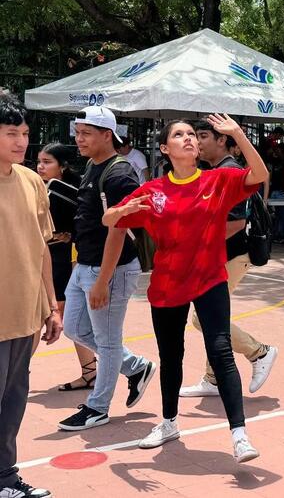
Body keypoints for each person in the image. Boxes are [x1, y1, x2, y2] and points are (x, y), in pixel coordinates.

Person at [103, 114, 267, 462]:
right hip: (167, 284)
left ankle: (239, 434)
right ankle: (169, 421)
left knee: (220, 349)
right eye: (179, 135)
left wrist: (237, 133)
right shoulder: (153, 191)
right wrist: (123, 210)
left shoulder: (218, 180)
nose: (189, 138)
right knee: (171, 356)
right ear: (165, 148)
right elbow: (109, 219)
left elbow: (260, 175)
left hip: (209, 279)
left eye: (192, 134)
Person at [58, 106, 156, 432]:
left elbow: (118, 230)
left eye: (86, 133)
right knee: (73, 328)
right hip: (85, 264)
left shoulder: (119, 174)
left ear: (106, 135)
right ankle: (136, 366)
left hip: (109, 269)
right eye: (78, 132)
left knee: (108, 340)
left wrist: (102, 281)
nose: (79, 138)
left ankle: (97, 408)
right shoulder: (92, 164)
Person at [177, 121, 277, 399]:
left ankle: (259, 352)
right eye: (194, 136)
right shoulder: (212, 171)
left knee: (203, 317)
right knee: (211, 315)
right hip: (222, 254)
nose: (197, 141)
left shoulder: (230, 171)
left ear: (222, 141)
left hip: (232, 254)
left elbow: (234, 223)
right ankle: (213, 379)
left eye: (203, 136)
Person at [0, 96, 63, 498]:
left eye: (24, 133)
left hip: (24, 314)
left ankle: (5, 479)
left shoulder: (32, 181)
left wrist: (51, 306)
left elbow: (42, 248)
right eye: (11, 134)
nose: (21, 142)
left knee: (13, 403)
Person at [35, 143, 96, 390]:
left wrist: (67, 235)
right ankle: (91, 373)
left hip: (61, 262)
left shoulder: (62, 190)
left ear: (63, 166)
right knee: (72, 322)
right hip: (53, 259)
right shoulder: (45, 187)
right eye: (39, 161)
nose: (40, 166)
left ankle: (15, 375)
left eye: (47, 162)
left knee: (43, 318)